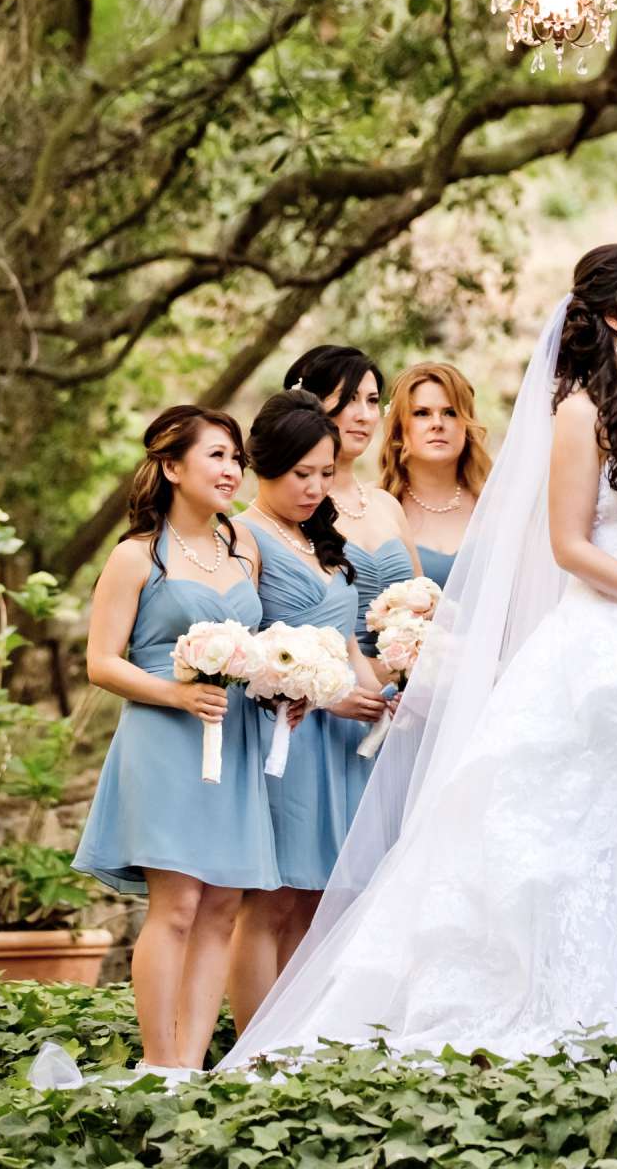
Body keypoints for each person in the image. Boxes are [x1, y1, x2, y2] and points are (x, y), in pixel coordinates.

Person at [222, 242, 617, 1067]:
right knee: (568, 836)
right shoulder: (578, 415)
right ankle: (564, 1009)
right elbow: (569, 547)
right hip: (604, 640)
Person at [73, 406, 278, 1076]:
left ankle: (191, 1067)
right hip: (163, 737)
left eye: (235, 458)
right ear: (171, 466)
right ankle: (159, 1064)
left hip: (236, 736)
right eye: (217, 455)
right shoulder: (136, 556)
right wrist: (175, 693)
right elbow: (101, 662)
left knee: (222, 902)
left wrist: (281, 687)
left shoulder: (243, 548)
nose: (231, 470)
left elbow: (258, 647)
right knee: (179, 903)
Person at [227, 392, 391, 1029]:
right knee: (271, 898)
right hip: (284, 736)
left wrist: (381, 695)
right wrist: (324, 693)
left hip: (344, 739)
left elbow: (349, 638)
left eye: (326, 474)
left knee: (318, 898)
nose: (316, 488)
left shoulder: (320, 538)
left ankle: (299, 1038)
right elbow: (243, 640)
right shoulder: (244, 535)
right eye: (302, 474)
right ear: (264, 464)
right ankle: (253, 1047)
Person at [283, 346, 420, 647]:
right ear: (311, 405)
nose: (365, 415)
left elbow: (424, 606)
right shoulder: (293, 507)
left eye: (372, 401)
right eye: (349, 399)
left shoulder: (386, 504)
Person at [378, 359, 492, 586]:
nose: (437, 424)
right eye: (422, 413)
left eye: (450, 412)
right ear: (400, 427)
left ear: (466, 424)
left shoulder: (495, 504)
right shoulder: (376, 506)